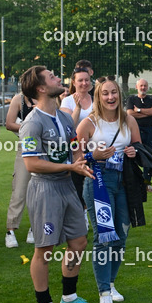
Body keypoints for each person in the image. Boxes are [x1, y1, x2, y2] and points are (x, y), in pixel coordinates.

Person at [19, 66, 98, 303]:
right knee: (46, 248)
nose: (57, 78)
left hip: (67, 185)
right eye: (51, 77)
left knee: (79, 241)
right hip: (45, 188)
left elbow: (74, 145)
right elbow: (31, 163)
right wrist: (69, 166)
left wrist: (82, 161)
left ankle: (69, 298)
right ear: (41, 88)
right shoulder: (32, 122)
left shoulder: (64, 117)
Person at [77, 77, 139, 303]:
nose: (110, 97)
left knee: (121, 236)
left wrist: (134, 151)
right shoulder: (88, 123)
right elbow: (76, 158)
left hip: (125, 182)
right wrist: (95, 156)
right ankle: (103, 291)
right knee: (104, 236)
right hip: (98, 182)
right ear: (98, 97)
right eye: (105, 93)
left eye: (114, 93)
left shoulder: (129, 120)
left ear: (120, 95)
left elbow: (141, 149)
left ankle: (111, 283)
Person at [4, 91, 35, 248]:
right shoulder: (19, 99)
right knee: (20, 189)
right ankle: (10, 230)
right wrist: (31, 127)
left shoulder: (49, 97)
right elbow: (9, 124)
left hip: (45, 146)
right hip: (27, 144)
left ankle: (34, 228)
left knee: (41, 190)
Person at [60, 67, 93, 210]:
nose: (84, 83)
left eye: (87, 80)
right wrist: (78, 108)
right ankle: (82, 213)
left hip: (94, 145)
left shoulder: (96, 99)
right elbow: (68, 126)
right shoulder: (67, 101)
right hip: (75, 146)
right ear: (74, 82)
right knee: (77, 180)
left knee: (94, 179)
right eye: (80, 80)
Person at [128, 78, 152, 151]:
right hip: (136, 130)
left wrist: (139, 110)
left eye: (145, 86)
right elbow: (130, 113)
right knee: (137, 152)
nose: (143, 88)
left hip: (149, 130)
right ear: (136, 87)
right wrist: (148, 113)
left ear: (147, 87)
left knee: (151, 152)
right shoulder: (131, 99)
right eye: (141, 85)